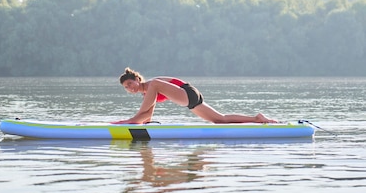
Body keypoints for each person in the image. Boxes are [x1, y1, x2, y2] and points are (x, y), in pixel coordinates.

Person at [113, 67, 278, 125]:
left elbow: (145, 112)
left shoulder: (151, 85)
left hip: (187, 92)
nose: (129, 88)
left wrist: (132, 120)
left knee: (156, 82)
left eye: (130, 84)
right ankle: (257, 118)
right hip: (191, 100)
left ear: (137, 79)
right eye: (126, 88)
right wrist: (143, 123)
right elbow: (148, 114)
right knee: (219, 120)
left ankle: (132, 118)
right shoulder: (148, 93)